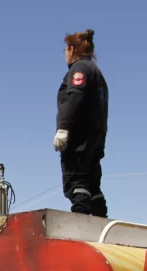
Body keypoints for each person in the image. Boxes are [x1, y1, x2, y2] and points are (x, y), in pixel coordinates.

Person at [54, 29, 109, 218]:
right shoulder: (97, 73)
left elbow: (75, 98)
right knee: (92, 184)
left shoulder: (80, 69)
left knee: (76, 182)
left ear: (71, 49)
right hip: (96, 137)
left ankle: (81, 224)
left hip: (79, 138)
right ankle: (101, 222)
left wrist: (63, 128)